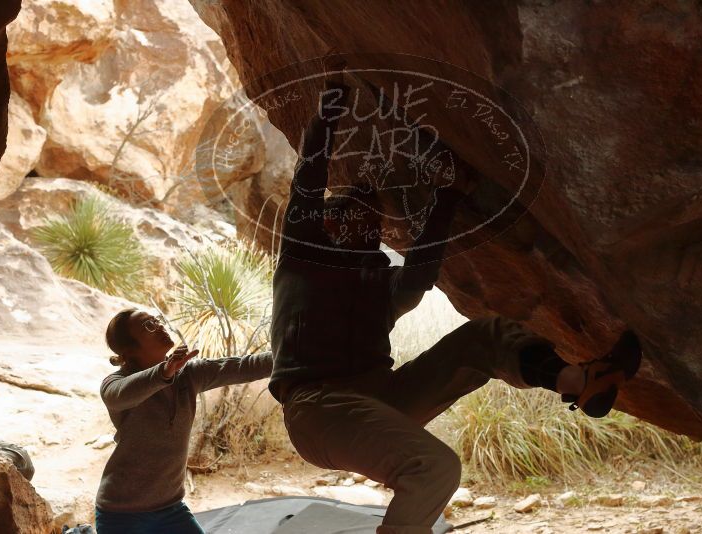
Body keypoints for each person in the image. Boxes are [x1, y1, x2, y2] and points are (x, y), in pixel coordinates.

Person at [269, 58, 642, 534]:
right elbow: (309, 176)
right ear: (326, 224)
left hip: (382, 399)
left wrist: (446, 200)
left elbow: (421, 275)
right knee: (436, 467)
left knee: (487, 336)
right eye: (349, 211)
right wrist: (333, 99)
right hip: (319, 409)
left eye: (370, 216)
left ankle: (577, 380)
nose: (362, 219)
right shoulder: (304, 260)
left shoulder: (380, 286)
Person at [95, 308, 273, 534]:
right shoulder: (115, 382)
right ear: (129, 349)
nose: (159, 326)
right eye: (148, 326)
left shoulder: (188, 374)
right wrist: (165, 371)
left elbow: (245, 366)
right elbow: (120, 396)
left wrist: (296, 356)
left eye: (156, 320)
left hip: (170, 508)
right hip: (121, 513)